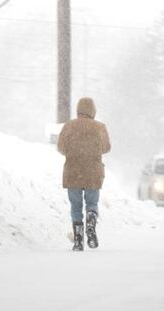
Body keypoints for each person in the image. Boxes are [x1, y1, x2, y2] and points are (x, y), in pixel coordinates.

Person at [57, 97, 111, 251]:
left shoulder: (69, 126)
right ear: (93, 110)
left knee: (75, 206)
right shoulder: (100, 127)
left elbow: (61, 147)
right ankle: (91, 223)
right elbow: (107, 148)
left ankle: (78, 240)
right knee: (92, 203)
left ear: (78, 109)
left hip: (73, 171)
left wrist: (74, 150)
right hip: (93, 171)